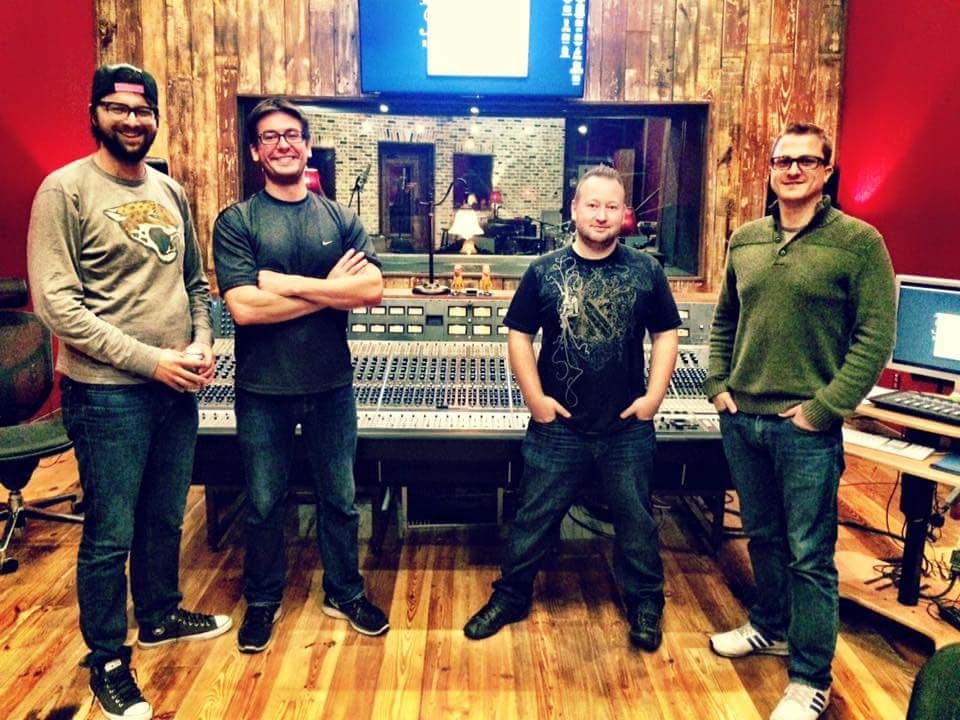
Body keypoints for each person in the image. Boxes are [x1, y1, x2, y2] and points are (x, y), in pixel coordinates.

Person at [27, 63, 232, 720]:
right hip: (107, 394)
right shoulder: (64, 192)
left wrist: (202, 342)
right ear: (95, 114)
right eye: (118, 109)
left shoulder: (170, 191)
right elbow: (58, 308)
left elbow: (195, 285)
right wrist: (152, 362)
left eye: (143, 111)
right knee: (110, 532)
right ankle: (108, 659)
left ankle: (161, 614)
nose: (133, 121)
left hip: (177, 386)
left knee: (167, 516)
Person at [703, 122, 895, 720]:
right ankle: (769, 624)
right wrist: (717, 384)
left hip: (805, 429)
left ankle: (811, 677)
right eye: (782, 160)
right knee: (761, 536)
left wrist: (824, 409)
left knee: (809, 555)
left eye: (806, 161)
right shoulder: (746, 240)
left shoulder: (859, 244)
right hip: (744, 420)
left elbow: (874, 338)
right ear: (770, 170)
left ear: (826, 172)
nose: (791, 170)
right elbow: (725, 320)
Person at [463, 165, 680, 651]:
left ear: (623, 214)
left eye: (612, 207)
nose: (602, 215)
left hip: (626, 428)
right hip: (558, 427)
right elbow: (519, 335)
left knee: (637, 523)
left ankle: (646, 602)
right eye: (592, 205)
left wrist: (653, 397)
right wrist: (535, 399)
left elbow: (667, 333)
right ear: (575, 209)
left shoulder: (646, 270)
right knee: (532, 518)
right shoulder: (543, 271)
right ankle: (511, 595)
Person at [212, 97, 389, 654]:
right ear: (255, 151)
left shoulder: (339, 219)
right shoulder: (237, 222)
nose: (283, 144)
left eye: (292, 134)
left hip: (331, 385)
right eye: (270, 137)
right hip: (262, 390)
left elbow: (371, 290)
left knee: (340, 499)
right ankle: (263, 600)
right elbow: (245, 309)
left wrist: (286, 284)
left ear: (307, 146)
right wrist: (331, 291)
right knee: (264, 503)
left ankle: (345, 591)